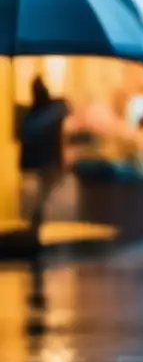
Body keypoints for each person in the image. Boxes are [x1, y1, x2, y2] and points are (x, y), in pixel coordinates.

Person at [19, 76, 69, 240]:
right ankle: (37, 223)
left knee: (42, 195)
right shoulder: (53, 110)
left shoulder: (32, 115)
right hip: (49, 161)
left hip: (39, 162)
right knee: (45, 194)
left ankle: (36, 224)